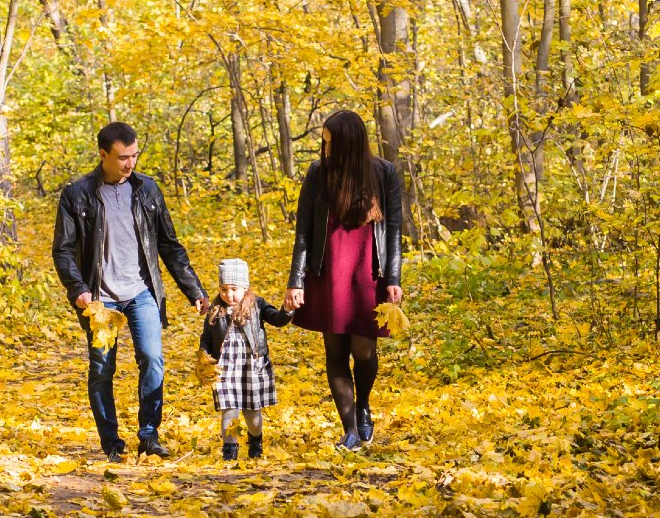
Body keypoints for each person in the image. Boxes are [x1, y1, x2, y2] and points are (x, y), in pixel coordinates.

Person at [52, 121, 210, 462]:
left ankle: (149, 435)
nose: (130, 163)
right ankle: (111, 444)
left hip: (142, 292)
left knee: (153, 359)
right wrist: (79, 289)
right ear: (103, 155)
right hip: (100, 299)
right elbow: (62, 250)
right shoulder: (76, 194)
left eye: (135, 155)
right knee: (102, 369)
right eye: (123, 157)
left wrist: (194, 290)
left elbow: (169, 245)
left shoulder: (147, 190)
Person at [283, 110, 404, 451]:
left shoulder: (383, 173)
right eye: (324, 143)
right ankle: (350, 428)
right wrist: (296, 281)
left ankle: (362, 403)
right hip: (328, 273)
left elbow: (394, 229)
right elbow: (303, 231)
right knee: (335, 351)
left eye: (331, 143)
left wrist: (394, 276)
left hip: (369, 273)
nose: (326, 149)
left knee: (363, 351)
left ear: (350, 144)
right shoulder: (318, 173)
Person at [198, 259, 293, 461]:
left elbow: (277, 319)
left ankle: (255, 441)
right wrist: (203, 356)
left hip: (252, 366)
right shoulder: (216, 309)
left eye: (233, 289)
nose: (228, 295)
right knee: (229, 410)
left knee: (252, 412)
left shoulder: (257, 305)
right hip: (225, 368)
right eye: (223, 289)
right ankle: (229, 449)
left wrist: (287, 310)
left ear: (245, 286)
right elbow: (207, 336)